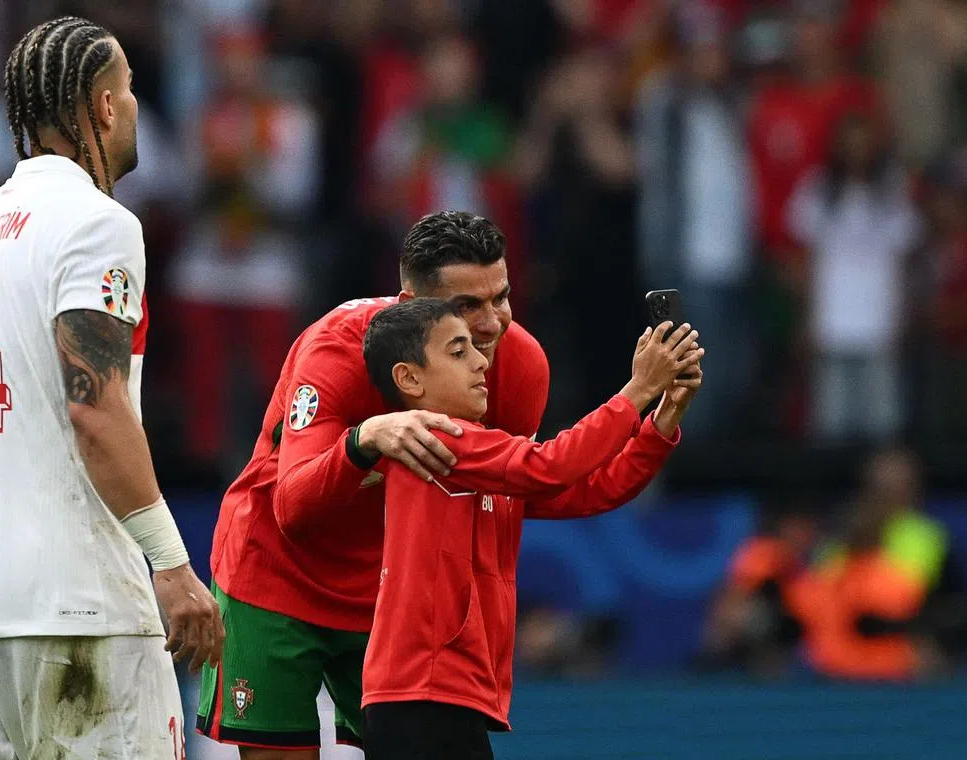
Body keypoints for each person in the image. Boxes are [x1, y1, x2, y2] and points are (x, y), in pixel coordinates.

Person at [199, 210, 700, 756]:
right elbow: (293, 508)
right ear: (412, 308)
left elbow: (521, 487)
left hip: (390, 614)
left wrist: (658, 428)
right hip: (276, 580)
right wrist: (365, 440)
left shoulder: (518, 367)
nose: (491, 326)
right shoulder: (337, 353)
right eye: (466, 307)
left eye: (501, 297)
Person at [0, 16, 223, 758]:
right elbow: (93, 402)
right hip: (80, 609)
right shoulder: (97, 223)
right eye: (128, 92)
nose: (134, 108)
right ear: (103, 106)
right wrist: (172, 565)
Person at [358, 298, 701, 758]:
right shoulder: (435, 437)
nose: (482, 361)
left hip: (439, 694)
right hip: (423, 692)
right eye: (459, 352)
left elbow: (595, 489)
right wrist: (637, 391)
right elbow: (553, 465)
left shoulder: (476, 456)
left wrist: (663, 418)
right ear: (409, 378)